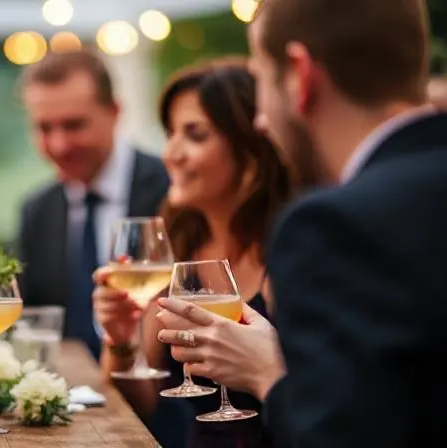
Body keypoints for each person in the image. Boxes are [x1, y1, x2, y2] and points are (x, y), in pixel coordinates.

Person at [157, 0, 447, 446]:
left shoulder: (334, 225)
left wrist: (268, 373)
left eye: (263, 81)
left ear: (300, 75)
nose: (260, 119)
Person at [93, 57, 294, 448]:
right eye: (170, 133)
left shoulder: (290, 250)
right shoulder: (181, 241)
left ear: (250, 149)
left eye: (195, 134)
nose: (171, 153)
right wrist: (120, 341)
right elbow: (139, 404)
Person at [16, 50, 170, 360]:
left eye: (73, 126)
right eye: (45, 129)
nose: (59, 145)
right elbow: (28, 318)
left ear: (114, 112)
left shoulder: (170, 189)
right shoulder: (37, 210)